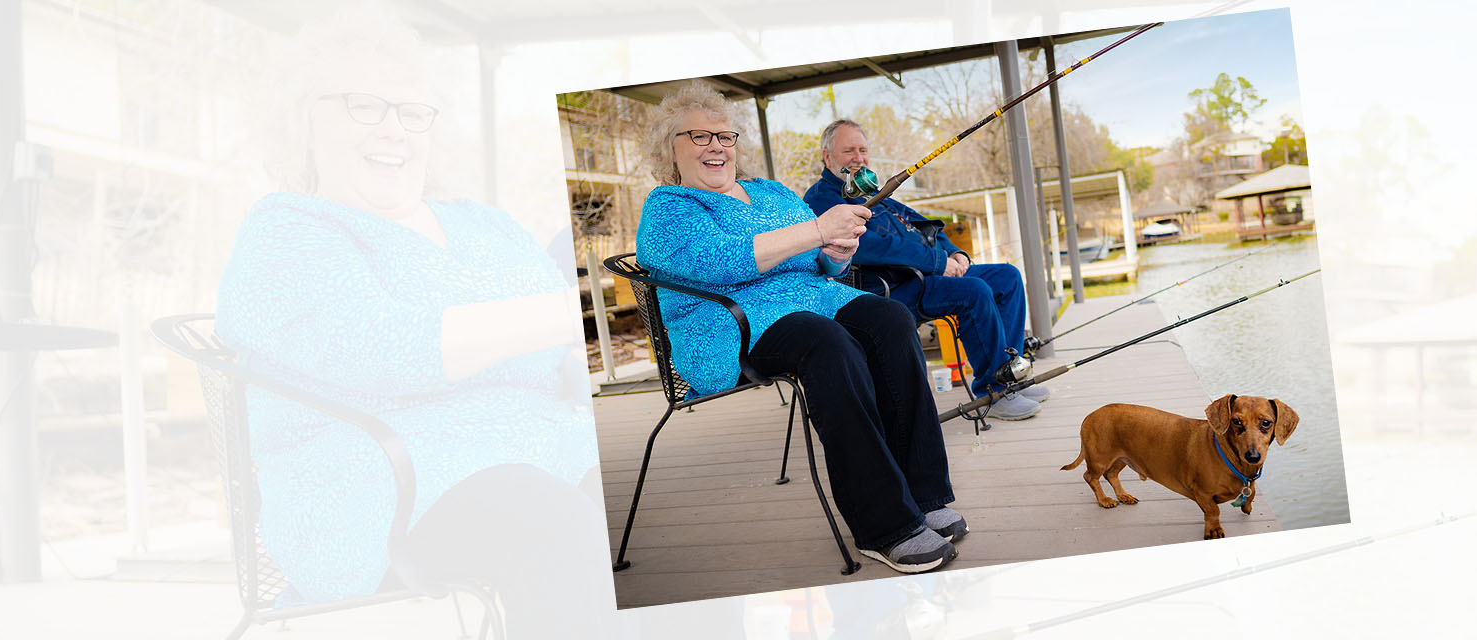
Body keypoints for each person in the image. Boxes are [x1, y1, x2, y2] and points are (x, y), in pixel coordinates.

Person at [216, 10, 599, 638]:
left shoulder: (487, 227)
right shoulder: (287, 230)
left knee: (669, 510)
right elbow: (381, 350)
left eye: (411, 111)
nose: (393, 129)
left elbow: (562, 352)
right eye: (364, 106)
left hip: (542, 453)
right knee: (560, 524)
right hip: (378, 489)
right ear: (303, 120)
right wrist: (550, 319)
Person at [634, 84, 965, 573]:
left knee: (890, 318)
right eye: (699, 136)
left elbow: (820, 264)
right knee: (826, 342)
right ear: (670, 147)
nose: (716, 146)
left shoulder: (770, 191)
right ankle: (884, 526)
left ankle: (924, 493)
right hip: (728, 324)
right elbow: (721, 261)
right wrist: (818, 230)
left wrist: (837, 252)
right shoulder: (669, 208)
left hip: (814, 301)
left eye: (724, 135)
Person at [801, 119, 1050, 420]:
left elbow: (922, 224)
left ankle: (1010, 377)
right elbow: (870, 246)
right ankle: (992, 392)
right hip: (889, 289)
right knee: (974, 291)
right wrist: (938, 262)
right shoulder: (821, 199)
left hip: (927, 275)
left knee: (1007, 277)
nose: (859, 158)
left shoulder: (870, 190)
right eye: (848, 151)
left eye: (863, 150)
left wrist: (953, 253)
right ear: (827, 157)